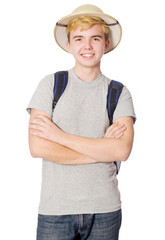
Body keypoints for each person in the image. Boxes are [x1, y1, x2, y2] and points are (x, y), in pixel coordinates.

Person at [27, 4, 135, 239]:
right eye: (79, 38)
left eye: (95, 38)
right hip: (55, 210)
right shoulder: (50, 85)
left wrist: (58, 136)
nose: (87, 46)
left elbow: (122, 150)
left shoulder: (119, 92)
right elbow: (38, 148)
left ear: (105, 44)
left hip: (105, 208)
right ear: (69, 45)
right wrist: (101, 150)